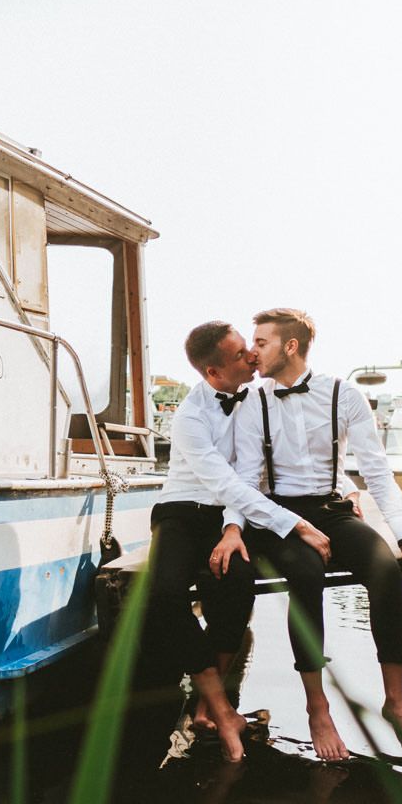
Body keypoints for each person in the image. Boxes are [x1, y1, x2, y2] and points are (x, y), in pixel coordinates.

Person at [211, 308, 402, 761]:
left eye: (262, 342)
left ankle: (396, 700)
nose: (253, 352)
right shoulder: (254, 399)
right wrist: (234, 527)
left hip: (331, 508)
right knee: (306, 574)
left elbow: (375, 467)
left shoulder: (343, 395)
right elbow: (245, 477)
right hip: (278, 516)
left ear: (290, 346)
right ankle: (318, 706)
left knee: (384, 568)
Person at [145, 320, 270, 763]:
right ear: (214, 374)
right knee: (163, 595)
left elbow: (243, 479)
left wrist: (233, 529)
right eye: (240, 355)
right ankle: (220, 705)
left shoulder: (257, 400)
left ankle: (204, 705)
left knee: (237, 580)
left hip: (226, 513)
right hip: (181, 510)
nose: (251, 357)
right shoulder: (190, 416)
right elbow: (219, 478)